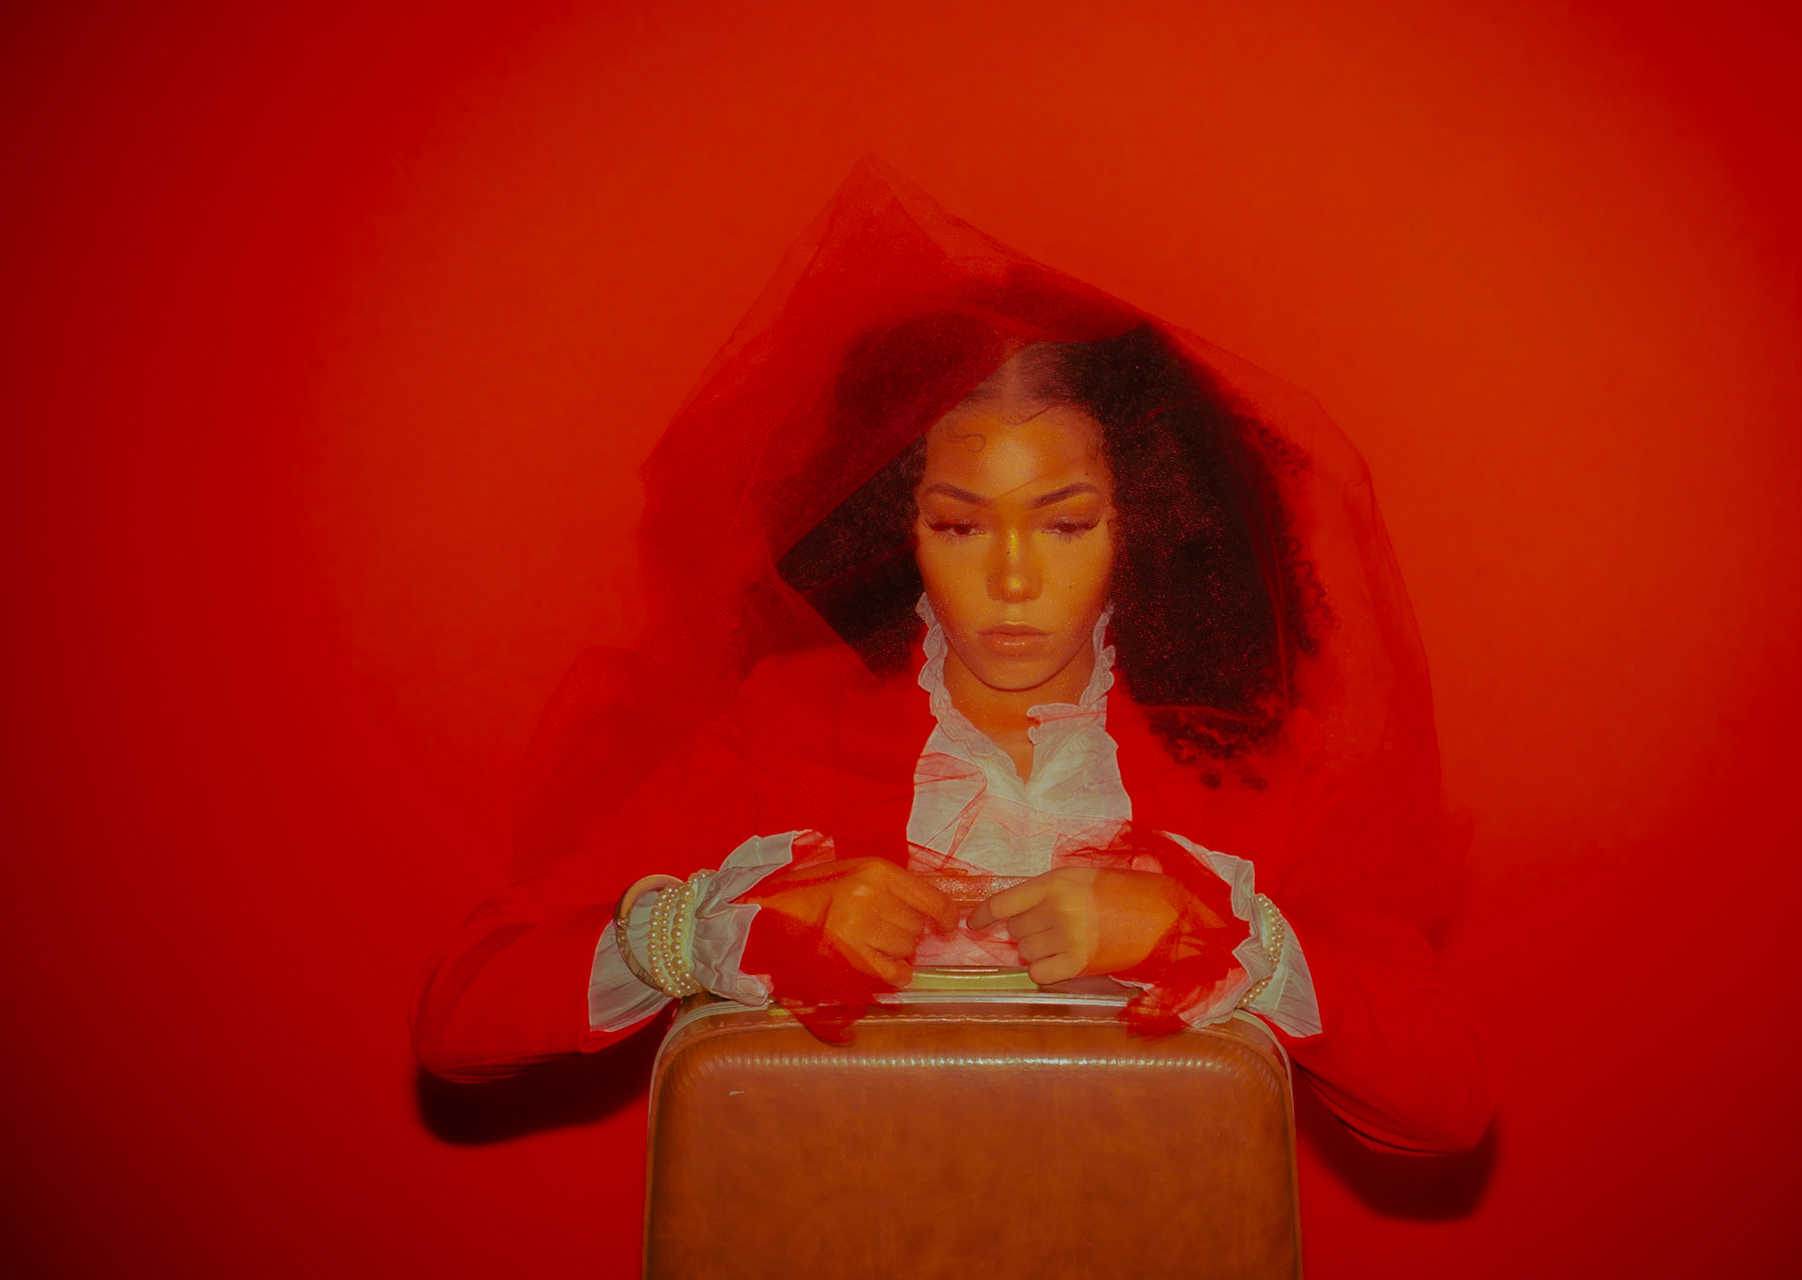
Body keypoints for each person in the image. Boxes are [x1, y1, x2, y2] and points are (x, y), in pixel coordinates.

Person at [411, 159, 1494, 1156]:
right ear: (896, 527)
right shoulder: (784, 726)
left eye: (1065, 523)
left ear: (1149, 523)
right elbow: (459, 1015)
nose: (1013, 578)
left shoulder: (1248, 757)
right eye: (962, 524)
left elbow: (1449, 1100)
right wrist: (699, 934)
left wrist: (1230, 942)